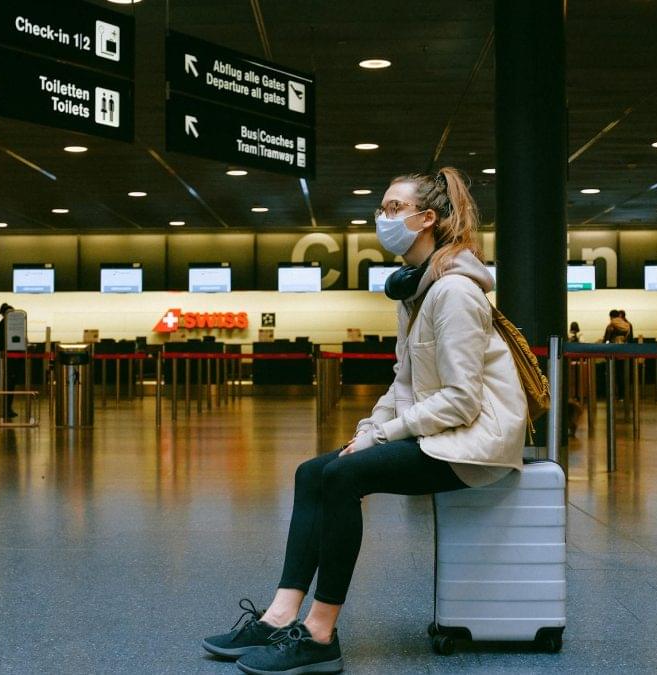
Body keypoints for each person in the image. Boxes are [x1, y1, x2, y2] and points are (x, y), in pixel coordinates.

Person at [202, 168, 528, 675]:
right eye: (382, 208)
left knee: (343, 476)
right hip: (441, 433)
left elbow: (463, 400)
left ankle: (319, 633)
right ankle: (278, 615)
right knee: (313, 472)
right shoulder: (418, 292)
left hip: (472, 444)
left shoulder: (455, 293)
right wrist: (368, 430)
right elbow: (405, 381)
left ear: (428, 220)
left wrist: (385, 436)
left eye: (394, 208)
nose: (383, 217)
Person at [0, 303, 20, 418]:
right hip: (6, 359)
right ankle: (5, 408)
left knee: (10, 384)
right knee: (7, 384)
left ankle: (8, 407)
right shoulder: (0, 326)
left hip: (10, 358)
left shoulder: (10, 326)